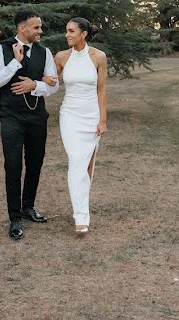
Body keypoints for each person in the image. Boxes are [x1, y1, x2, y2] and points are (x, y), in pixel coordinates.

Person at [0, 9, 60, 240]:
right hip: (11, 117)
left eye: (40, 27)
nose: (40, 31)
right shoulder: (2, 49)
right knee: (13, 165)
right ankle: (15, 217)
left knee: (35, 163)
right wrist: (15, 64)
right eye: (36, 27)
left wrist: (35, 85)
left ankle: (28, 208)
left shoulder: (44, 52)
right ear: (22, 28)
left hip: (37, 116)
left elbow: (54, 85)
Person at [51, 17, 107, 233]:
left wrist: (102, 119)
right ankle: (80, 216)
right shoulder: (61, 57)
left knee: (87, 165)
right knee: (76, 161)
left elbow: (101, 90)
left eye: (71, 31)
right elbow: (50, 81)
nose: (67, 35)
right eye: (66, 31)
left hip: (91, 115)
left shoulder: (99, 57)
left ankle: (82, 208)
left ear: (83, 34)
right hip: (70, 115)